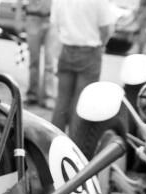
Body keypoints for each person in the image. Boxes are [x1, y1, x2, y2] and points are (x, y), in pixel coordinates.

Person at [50, 0, 117, 132]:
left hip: (66, 49)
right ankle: (75, 143)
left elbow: (56, 24)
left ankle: (53, 139)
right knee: (81, 103)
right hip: (90, 51)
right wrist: (102, 44)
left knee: (62, 101)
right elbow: (106, 30)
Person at [18, 0, 59, 107]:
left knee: (50, 61)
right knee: (34, 60)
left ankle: (49, 96)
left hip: (51, 19)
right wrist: (18, 17)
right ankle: (32, 94)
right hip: (33, 18)